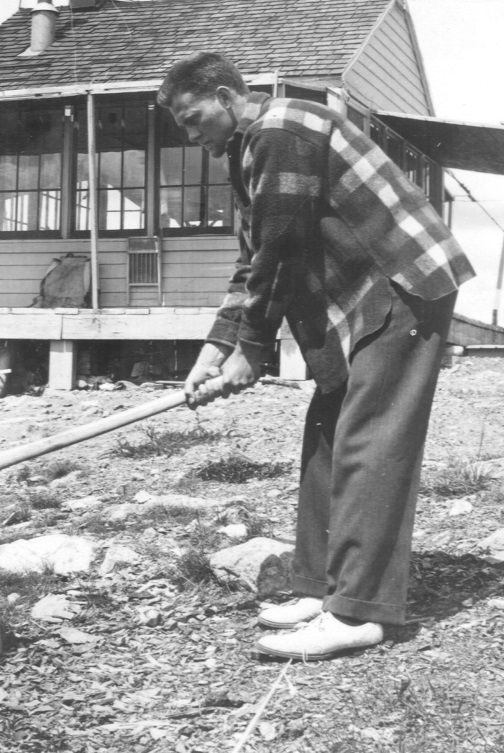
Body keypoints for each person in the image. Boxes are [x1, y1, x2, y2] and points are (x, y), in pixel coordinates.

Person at [157, 52, 475, 661]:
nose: (193, 136)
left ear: (226, 96)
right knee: (328, 431)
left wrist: (252, 351)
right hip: (357, 298)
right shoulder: (249, 150)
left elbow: (281, 247)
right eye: (183, 128)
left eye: (195, 119)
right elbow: (252, 261)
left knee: (369, 440)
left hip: (401, 282)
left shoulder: (282, 130)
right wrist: (214, 348)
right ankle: (319, 585)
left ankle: (358, 612)